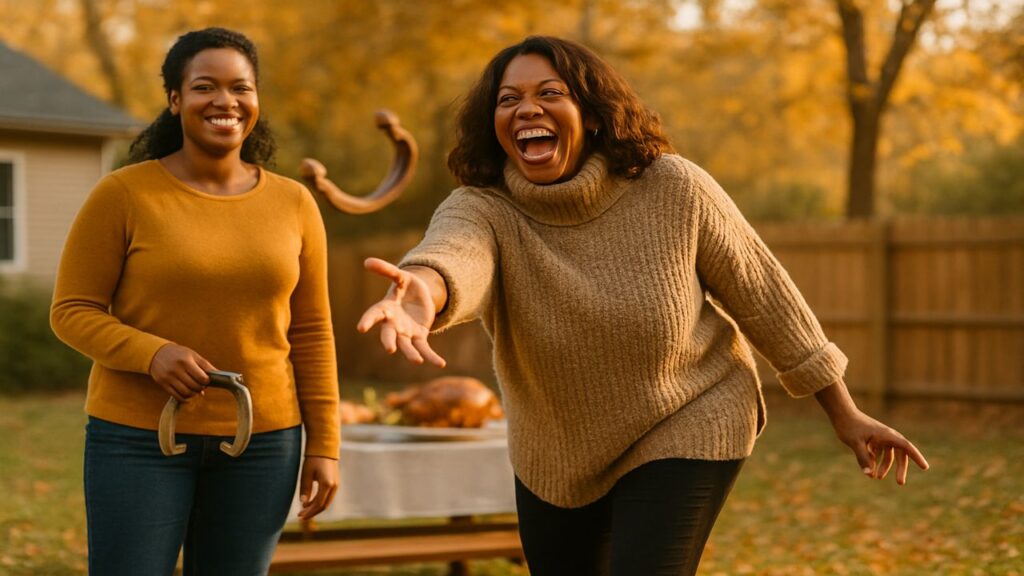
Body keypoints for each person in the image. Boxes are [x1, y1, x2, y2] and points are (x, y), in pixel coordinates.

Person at [356, 36, 929, 575]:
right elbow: (453, 255)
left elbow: (766, 296)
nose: (527, 108)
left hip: (689, 412)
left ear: (594, 115)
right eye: (509, 100)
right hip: (555, 445)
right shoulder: (482, 208)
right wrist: (420, 293)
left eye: (549, 93)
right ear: (495, 125)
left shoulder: (673, 188)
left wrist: (844, 411)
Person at [50, 28, 340, 575]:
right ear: (176, 100)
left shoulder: (294, 204)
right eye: (205, 86)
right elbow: (71, 310)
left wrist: (324, 446)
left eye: (241, 88)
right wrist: (151, 353)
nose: (225, 102)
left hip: (264, 444)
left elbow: (312, 332)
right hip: (137, 441)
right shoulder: (124, 195)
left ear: (255, 101)